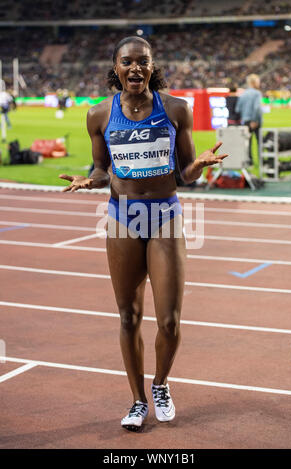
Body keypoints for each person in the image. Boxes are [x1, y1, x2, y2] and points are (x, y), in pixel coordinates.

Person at [59, 36, 228, 432]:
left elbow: (184, 173)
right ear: (115, 68)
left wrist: (199, 165)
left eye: (143, 61)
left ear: (153, 67)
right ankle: (137, 400)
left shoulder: (176, 109)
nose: (135, 68)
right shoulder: (98, 115)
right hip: (122, 218)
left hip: (165, 217)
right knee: (128, 315)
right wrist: (91, 180)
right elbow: (103, 170)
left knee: (168, 320)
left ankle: (161, 384)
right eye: (127, 62)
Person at [235, 74, 263, 165]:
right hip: (255, 121)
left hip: (246, 121)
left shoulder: (243, 94)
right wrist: (254, 120)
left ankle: (249, 161)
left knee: (248, 142)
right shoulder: (257, 93)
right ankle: (261, 161)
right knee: (260, 142)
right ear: (254, 82)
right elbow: (256, 108)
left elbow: (237, 109)